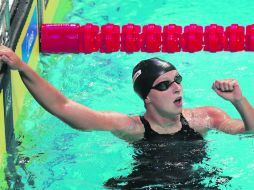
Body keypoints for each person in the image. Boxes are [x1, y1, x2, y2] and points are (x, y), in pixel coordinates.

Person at [1, 45, 254, 188]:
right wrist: (22, 66)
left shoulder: (205, 118)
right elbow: (65, 108)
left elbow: (249, 131)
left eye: (177, 80)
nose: (177, 87)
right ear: (147, 97)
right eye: (164, 85)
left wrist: (239, 101)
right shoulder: (133, 127)